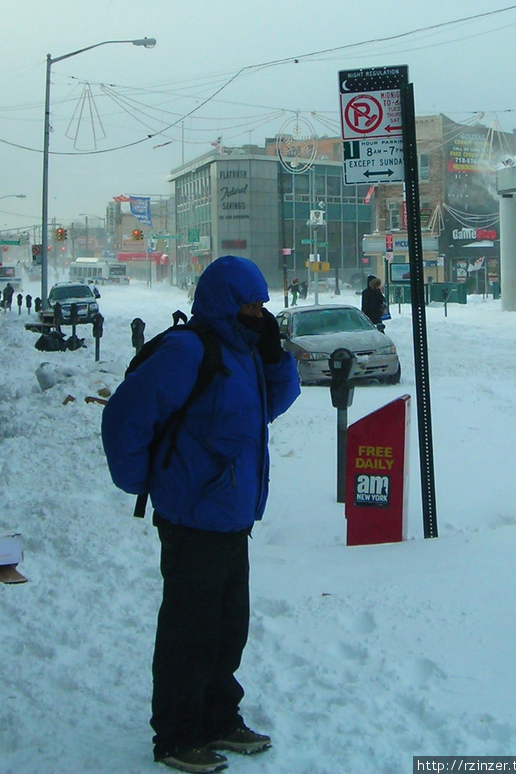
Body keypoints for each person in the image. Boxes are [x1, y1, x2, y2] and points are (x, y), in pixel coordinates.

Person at [101, 256, 301, 774]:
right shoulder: (188, 350)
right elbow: (125, 417)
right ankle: (177, 734)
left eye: (263, 305)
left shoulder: (247, 354)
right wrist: (144, 483)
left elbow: (273, 404)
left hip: (233, 514)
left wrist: (276, 355)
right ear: (224, 303)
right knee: (189, 632)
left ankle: (218, 717)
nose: (259, 313)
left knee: (227, 627)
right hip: (192, 516)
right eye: (249, 304)